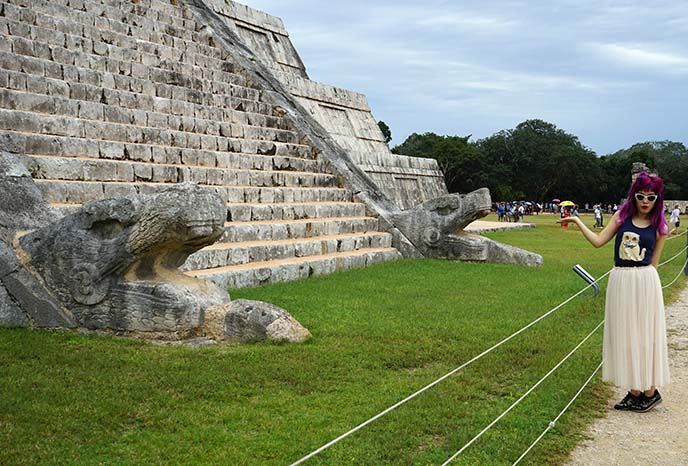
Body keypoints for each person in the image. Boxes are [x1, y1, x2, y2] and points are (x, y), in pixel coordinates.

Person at [557, 172, 670, 412]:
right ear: (634, 196)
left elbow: (655, 263)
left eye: (651, 197)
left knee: (645, 334)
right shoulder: (622, 217)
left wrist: (647, 286)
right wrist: (577, 222)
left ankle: (648, 391)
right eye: (641, 196)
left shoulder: (660, 226)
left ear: (657, 199)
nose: (645, 201)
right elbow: (599, 242)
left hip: (644, 281)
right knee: (625, 335)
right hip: (621, 279)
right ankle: (635, 390)